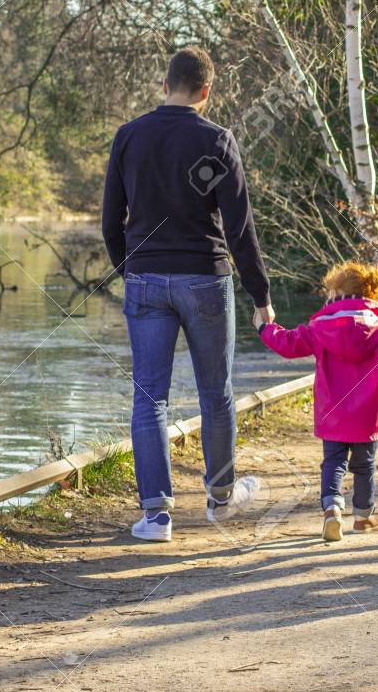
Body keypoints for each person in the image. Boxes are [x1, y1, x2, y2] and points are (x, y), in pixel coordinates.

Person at [102, 45, 275, 543]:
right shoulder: (217, 140)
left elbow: (111, 220)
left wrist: (131, 269)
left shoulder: (129, 137)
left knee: (149, 395)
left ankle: (156, 516)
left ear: (164, 84)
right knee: (214, 391)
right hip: (205, 275)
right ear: (206, 91)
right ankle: (221, 498)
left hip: (147, 279)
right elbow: (240, 229)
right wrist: (260, 295)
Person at [257, 260, 378, 542]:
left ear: (338, 293)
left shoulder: (319, 327)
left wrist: (265, 329)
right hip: (367, 413)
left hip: (332, 412)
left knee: (334, 462)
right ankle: (363, 515)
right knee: (364, 465)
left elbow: (288, 344)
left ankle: (332, 510)